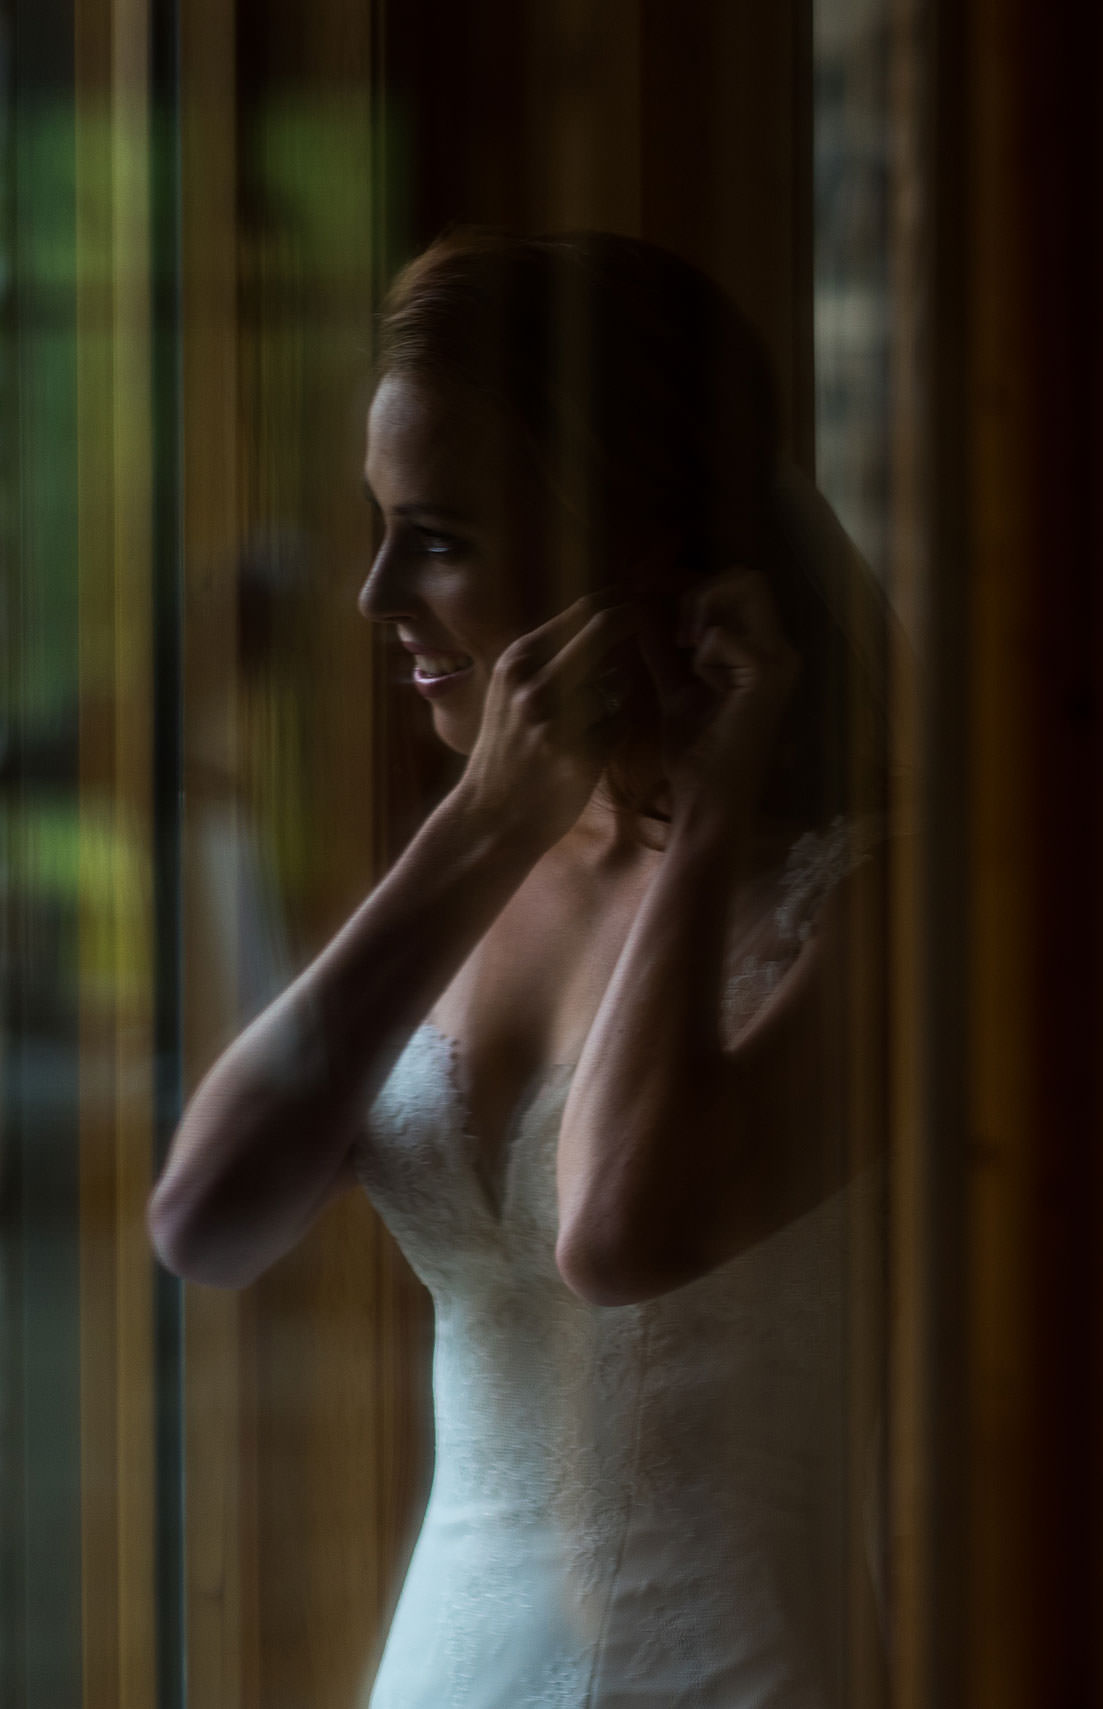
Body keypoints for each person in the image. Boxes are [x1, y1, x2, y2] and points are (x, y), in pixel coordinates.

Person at [149, 230, 887, 1706]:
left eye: (438, 535)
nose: (373, 596)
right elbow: (205, 1221)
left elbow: (618, 1231)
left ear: (636, 550)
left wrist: (715, 805)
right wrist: (481, 829)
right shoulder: (482, 871)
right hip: (448, 1667)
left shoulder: (871, 901)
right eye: (379, 527)